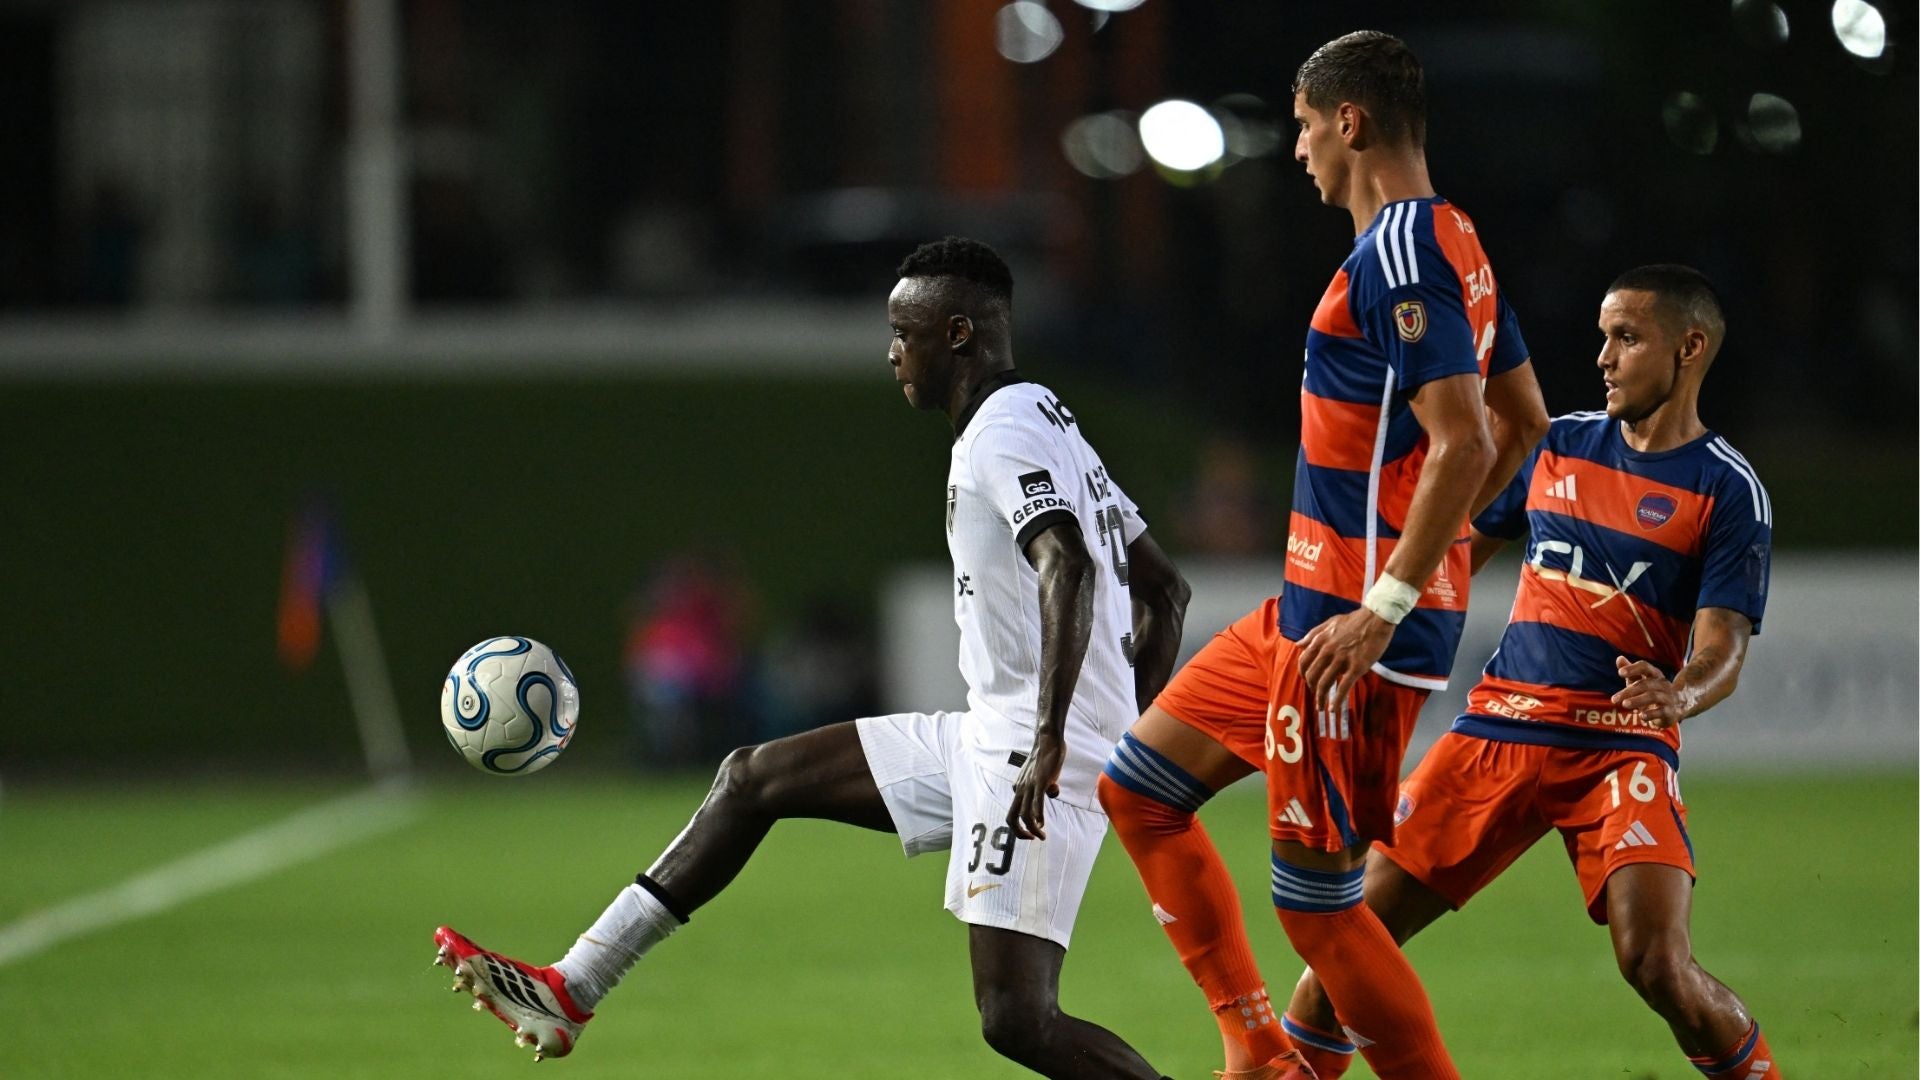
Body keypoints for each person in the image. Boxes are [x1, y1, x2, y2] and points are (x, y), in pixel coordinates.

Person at [432, 236, 1194, 1079]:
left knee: (1017, 1019)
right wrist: (1127, 743)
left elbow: (1067, 560)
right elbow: (1165, 591)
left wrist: (1061, 740)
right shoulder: (1046, 418)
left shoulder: (1003, 433)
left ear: (958, 335)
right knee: (752, 778)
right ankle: (573, 986)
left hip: (1030, 750)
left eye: (904, 334)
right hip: (996, 734)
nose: (892, 353)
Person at [1095, 30, 1550, 1080]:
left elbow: (1474, 436)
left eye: (1304, 126)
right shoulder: (1458, 243)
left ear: (1350, 122)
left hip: (1348, 634)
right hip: (1306, 615)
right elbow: (1527, 419)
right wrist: (1445, 557)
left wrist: (1395, 596)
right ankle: (1259, 1048)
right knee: (1139, 790)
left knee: (1320, 913)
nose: (1297, 148)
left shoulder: (1399, 252)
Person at [1282, 265, 1780, 1080]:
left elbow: (1721, 652)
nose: (1604, 357)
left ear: (1689, 348)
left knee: (1656, 965)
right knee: (1347, 940)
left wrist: (1677, 694)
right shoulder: (1559, 446)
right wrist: (1380, 620)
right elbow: (1455, 552)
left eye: (1626, 337)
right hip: (1497, 733)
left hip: (1618, 749)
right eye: (1603, 336)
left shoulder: (1726, 489)